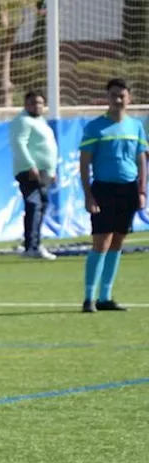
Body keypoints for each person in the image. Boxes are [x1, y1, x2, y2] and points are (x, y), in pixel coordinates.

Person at [79, 78, 147, 313]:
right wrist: (88, 195)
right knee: (101, 241)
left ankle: (105, 297)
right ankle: (89, 297)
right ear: (107, 98)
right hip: (103, 189)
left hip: (128, 190)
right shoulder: (95, 127)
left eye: (122, 95)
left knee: (118, 241)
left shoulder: (136, 126)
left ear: (129, 97)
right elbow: (84, 163)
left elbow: (140, 159)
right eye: (113, 95)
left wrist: (141, 190)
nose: (117, 100)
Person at [9, 91, 59, 260]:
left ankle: (34, 243)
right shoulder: (23, 121)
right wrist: (31, 165)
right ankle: (32, 246)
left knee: (41, 205)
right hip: (30, 170)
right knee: (34, 205)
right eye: (32, 103)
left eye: (39, 103)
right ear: (25, 104)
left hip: (44, 170)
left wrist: (51, 171)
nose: (36, 106)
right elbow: (19, 143)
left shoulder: (40, 122)